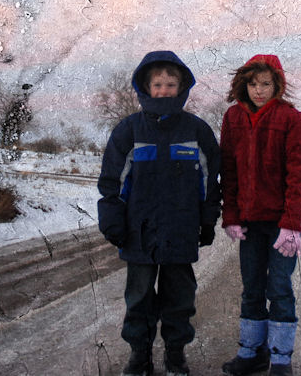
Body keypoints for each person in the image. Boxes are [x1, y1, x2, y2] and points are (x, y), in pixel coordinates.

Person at [98, 50, 221, 376]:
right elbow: (112, 183)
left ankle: (175, 355)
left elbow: (210, 183)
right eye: (158, 83)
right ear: (146, 86)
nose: (164, 89)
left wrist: (208, 221)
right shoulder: (129, 131)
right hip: (138, 234)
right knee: (138, 299)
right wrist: (112, 220)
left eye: (171, 83)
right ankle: (140, 356)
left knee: (180, 298)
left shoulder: (197, 131)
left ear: (182, 87)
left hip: (181, 232)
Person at [220, 54, 301, 376]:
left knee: (279, 287)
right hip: (249, 222)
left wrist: (291, 224)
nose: (259, 90)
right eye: (253, 84)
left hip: (279, 223)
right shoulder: (233, 118)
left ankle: (281, 360)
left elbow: (298, 175)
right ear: (243, 85)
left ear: (277, 85)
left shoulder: (292, 118)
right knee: (252, 287)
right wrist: (231, 215)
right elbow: (228, 171)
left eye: (265, 84)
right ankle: (251, 353)